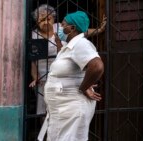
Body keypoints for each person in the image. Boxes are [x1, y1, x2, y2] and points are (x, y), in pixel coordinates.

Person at [37, 11, 104, 141]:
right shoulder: (70, 46)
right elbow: (67, 66)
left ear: (72, 28)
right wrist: (59, 45)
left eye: (63, 25)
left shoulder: (81, 44)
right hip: (63, 109)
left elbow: (97, 66)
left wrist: (84, 87)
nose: (60, 28)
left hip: (71, 108)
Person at [29, 4, 107, 115]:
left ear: (53, 18)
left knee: (61, 110)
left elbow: (80, 32)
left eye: (48, 18)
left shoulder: (61, 29)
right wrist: (35, 77)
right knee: (44, 110)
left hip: (65, 75)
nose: (45, 22)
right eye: (41, 20)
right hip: (43, 75)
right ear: (36, 21)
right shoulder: (34, 34)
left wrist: (98, 30)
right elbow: (33, 59)